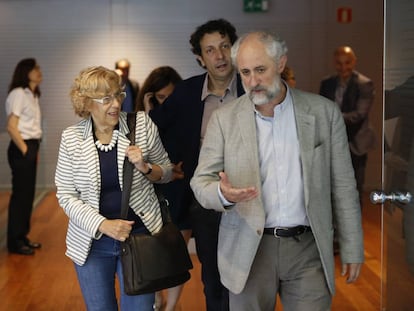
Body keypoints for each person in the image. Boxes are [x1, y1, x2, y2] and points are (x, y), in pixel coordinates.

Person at [190, 31, 364, 310]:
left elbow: (344, 186)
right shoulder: (224, 119)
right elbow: (201, 182)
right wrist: (222, 194)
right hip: (248, 250)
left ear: (281, 63)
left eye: (260, 70)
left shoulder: (323, 113)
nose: (252, 81)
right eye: (245, 72)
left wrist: (352, 246)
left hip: (307, 248)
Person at [55, 66, 173, 311]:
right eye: (106, 99)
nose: (116, 104)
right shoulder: (71, 138)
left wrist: (145, 166)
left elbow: (168, 171)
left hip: (140, 238)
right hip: (92, 242)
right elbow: (65, 194)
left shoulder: (141, 125)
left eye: (118, 95)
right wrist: (102, 224)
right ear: (86, 103)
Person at [148, 19, 244, 311]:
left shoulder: (251, 87)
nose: (220, 56)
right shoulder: (188, 92)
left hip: (252, 195)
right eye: (211, 50)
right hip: (207, 199)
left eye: (225, 46)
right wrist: (164, 167)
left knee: (251, 277)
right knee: (213, 277)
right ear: (200, 58)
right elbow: (154, 128)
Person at [136, 65, 185, 311]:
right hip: (154, 191)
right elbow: (142, 157)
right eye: (160, 98)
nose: (165, 103)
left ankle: (171, 306)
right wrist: (148, 112)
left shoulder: (185, 115)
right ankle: (157, 301)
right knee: (154, 251)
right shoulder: (142, 121)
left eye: (170, 97)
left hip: (182, 189)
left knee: (177, 255)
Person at [319, 46, 375, 203]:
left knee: (355, 187)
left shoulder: (365, 84)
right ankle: (335, 227)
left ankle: (355, 226)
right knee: (332, 188)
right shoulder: (326, 83)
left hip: (356, 143)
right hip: (333, 143)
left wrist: (332, 117)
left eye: (348, 62)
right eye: (339, 63)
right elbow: (320, 110)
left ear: (354, 62)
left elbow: (359, 115)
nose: (343, 67)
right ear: (334, 63)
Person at [5, 58, 43, 256]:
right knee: (21, 195)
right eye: (35, 69)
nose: (39, 71)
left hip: (31, 146)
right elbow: (11, 126)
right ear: (26, 72)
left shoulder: (32, 94)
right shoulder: (18, 93)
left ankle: (22, 236)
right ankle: (14, 242)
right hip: (23, 147)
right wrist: (25, 150)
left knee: (27, 195)